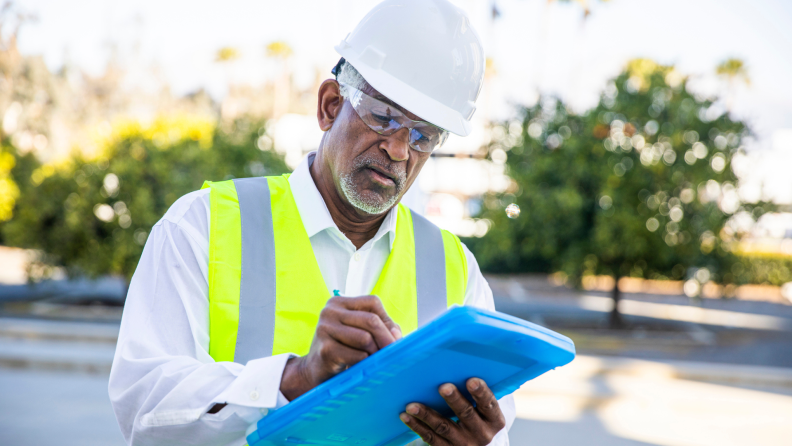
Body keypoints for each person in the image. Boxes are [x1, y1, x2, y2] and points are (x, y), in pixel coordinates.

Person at [109, 0, 516, 444]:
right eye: (384, 117)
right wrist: (293, 378)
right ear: (329, 105)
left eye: (423, 136)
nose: (399, 150)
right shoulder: (203, 226)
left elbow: (497, 433)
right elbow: (143, 407)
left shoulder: (456, 270)